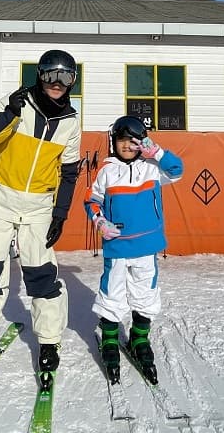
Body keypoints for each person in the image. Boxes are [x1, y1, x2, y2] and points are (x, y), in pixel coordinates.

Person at [0, 49, 81, 378]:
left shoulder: (70, 122)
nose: (57, 83)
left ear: (73, 81)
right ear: (39, 76)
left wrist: (60, 213)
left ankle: (48, 340)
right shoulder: (16, 102)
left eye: (65, 77)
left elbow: (69, 172)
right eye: (50, 75)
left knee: (41, 274)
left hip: (39, 207)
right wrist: (10, 114)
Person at [84, 115, 183, 385]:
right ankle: (110, 340)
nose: (127, 146)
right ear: (113, 142)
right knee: (112, 294)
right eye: (121, 141)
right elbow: (92, 201)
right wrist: (100, 221)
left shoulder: (152, 168)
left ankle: (140, 339)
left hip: (146, 246)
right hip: (117, 245)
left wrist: (158, 153)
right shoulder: (106, 171)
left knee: (145, 293)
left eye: (132, 141)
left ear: (141, 143)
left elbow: (178, 170)